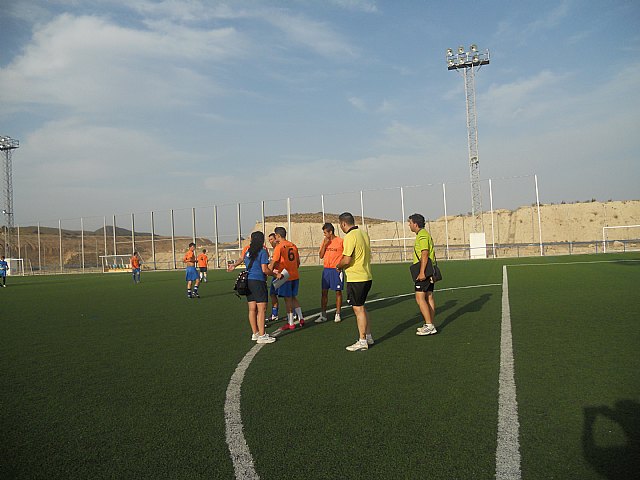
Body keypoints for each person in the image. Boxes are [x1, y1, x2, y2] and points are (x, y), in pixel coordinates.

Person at [227, 231, 276, 344]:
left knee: (252, 309)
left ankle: (255, 333)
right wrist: (275, 274)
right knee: (262, 309)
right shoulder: (262, 252)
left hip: (248, 281)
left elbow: (242, 259)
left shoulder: (248, 251)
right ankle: (262, 335)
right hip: (258, 281)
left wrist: (234, 265)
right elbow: (265, 269)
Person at [335, 212, 373, 351]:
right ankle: (368, 336)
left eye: (340, 224)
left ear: (343, 223)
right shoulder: (363, 234)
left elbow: (347, 259)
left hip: (356, 278)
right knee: (361, 307)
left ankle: (362, 340)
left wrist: (338, 266)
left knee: (358, 309)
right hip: (367, 275)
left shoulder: (350, 236)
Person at [269, 226, 305, 331]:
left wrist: (268, 271)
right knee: (293, 297)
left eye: (275, 235)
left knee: (288, 299)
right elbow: (298, 262)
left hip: (285, 277)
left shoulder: (279, 247)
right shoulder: (293, 245)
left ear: (278, 235)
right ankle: (301, 318)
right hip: (295, 275)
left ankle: (291, 323)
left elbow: (274, 262)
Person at [408, 213, 437, 336]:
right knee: (429, 296)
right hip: (429, 270)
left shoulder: (422, 236)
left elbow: (424, 254)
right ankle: (430, 324)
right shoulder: (423, 234)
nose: (409, 225)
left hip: (424, 271)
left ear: (415, 224)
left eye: (410, 223)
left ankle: (429, 325)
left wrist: (421, 272)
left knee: (420, 297)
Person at [316, 222, 344, 323]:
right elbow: (321, 255)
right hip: (326, 270)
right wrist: (325, 244)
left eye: (325, 233)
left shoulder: (341, 241)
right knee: (324, 293)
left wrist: (341, 266)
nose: (324, 235)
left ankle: (338, 314)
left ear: (330, 232)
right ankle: (323, 315)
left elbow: (346, 255)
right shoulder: (324, 241)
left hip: (336, 270)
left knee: (338, 292)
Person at [266, 233, 281, 322]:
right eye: (269, 240)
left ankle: (294, 313)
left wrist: (267, 273)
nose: (270, 241)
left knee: (288, 296)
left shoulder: (279, 248)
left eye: (271, 239)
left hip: (280, 275)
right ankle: (274, 314)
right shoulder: (276, 249)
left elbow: (273, 263)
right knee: (273, 294)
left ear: (276, 239)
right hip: (276, 275)